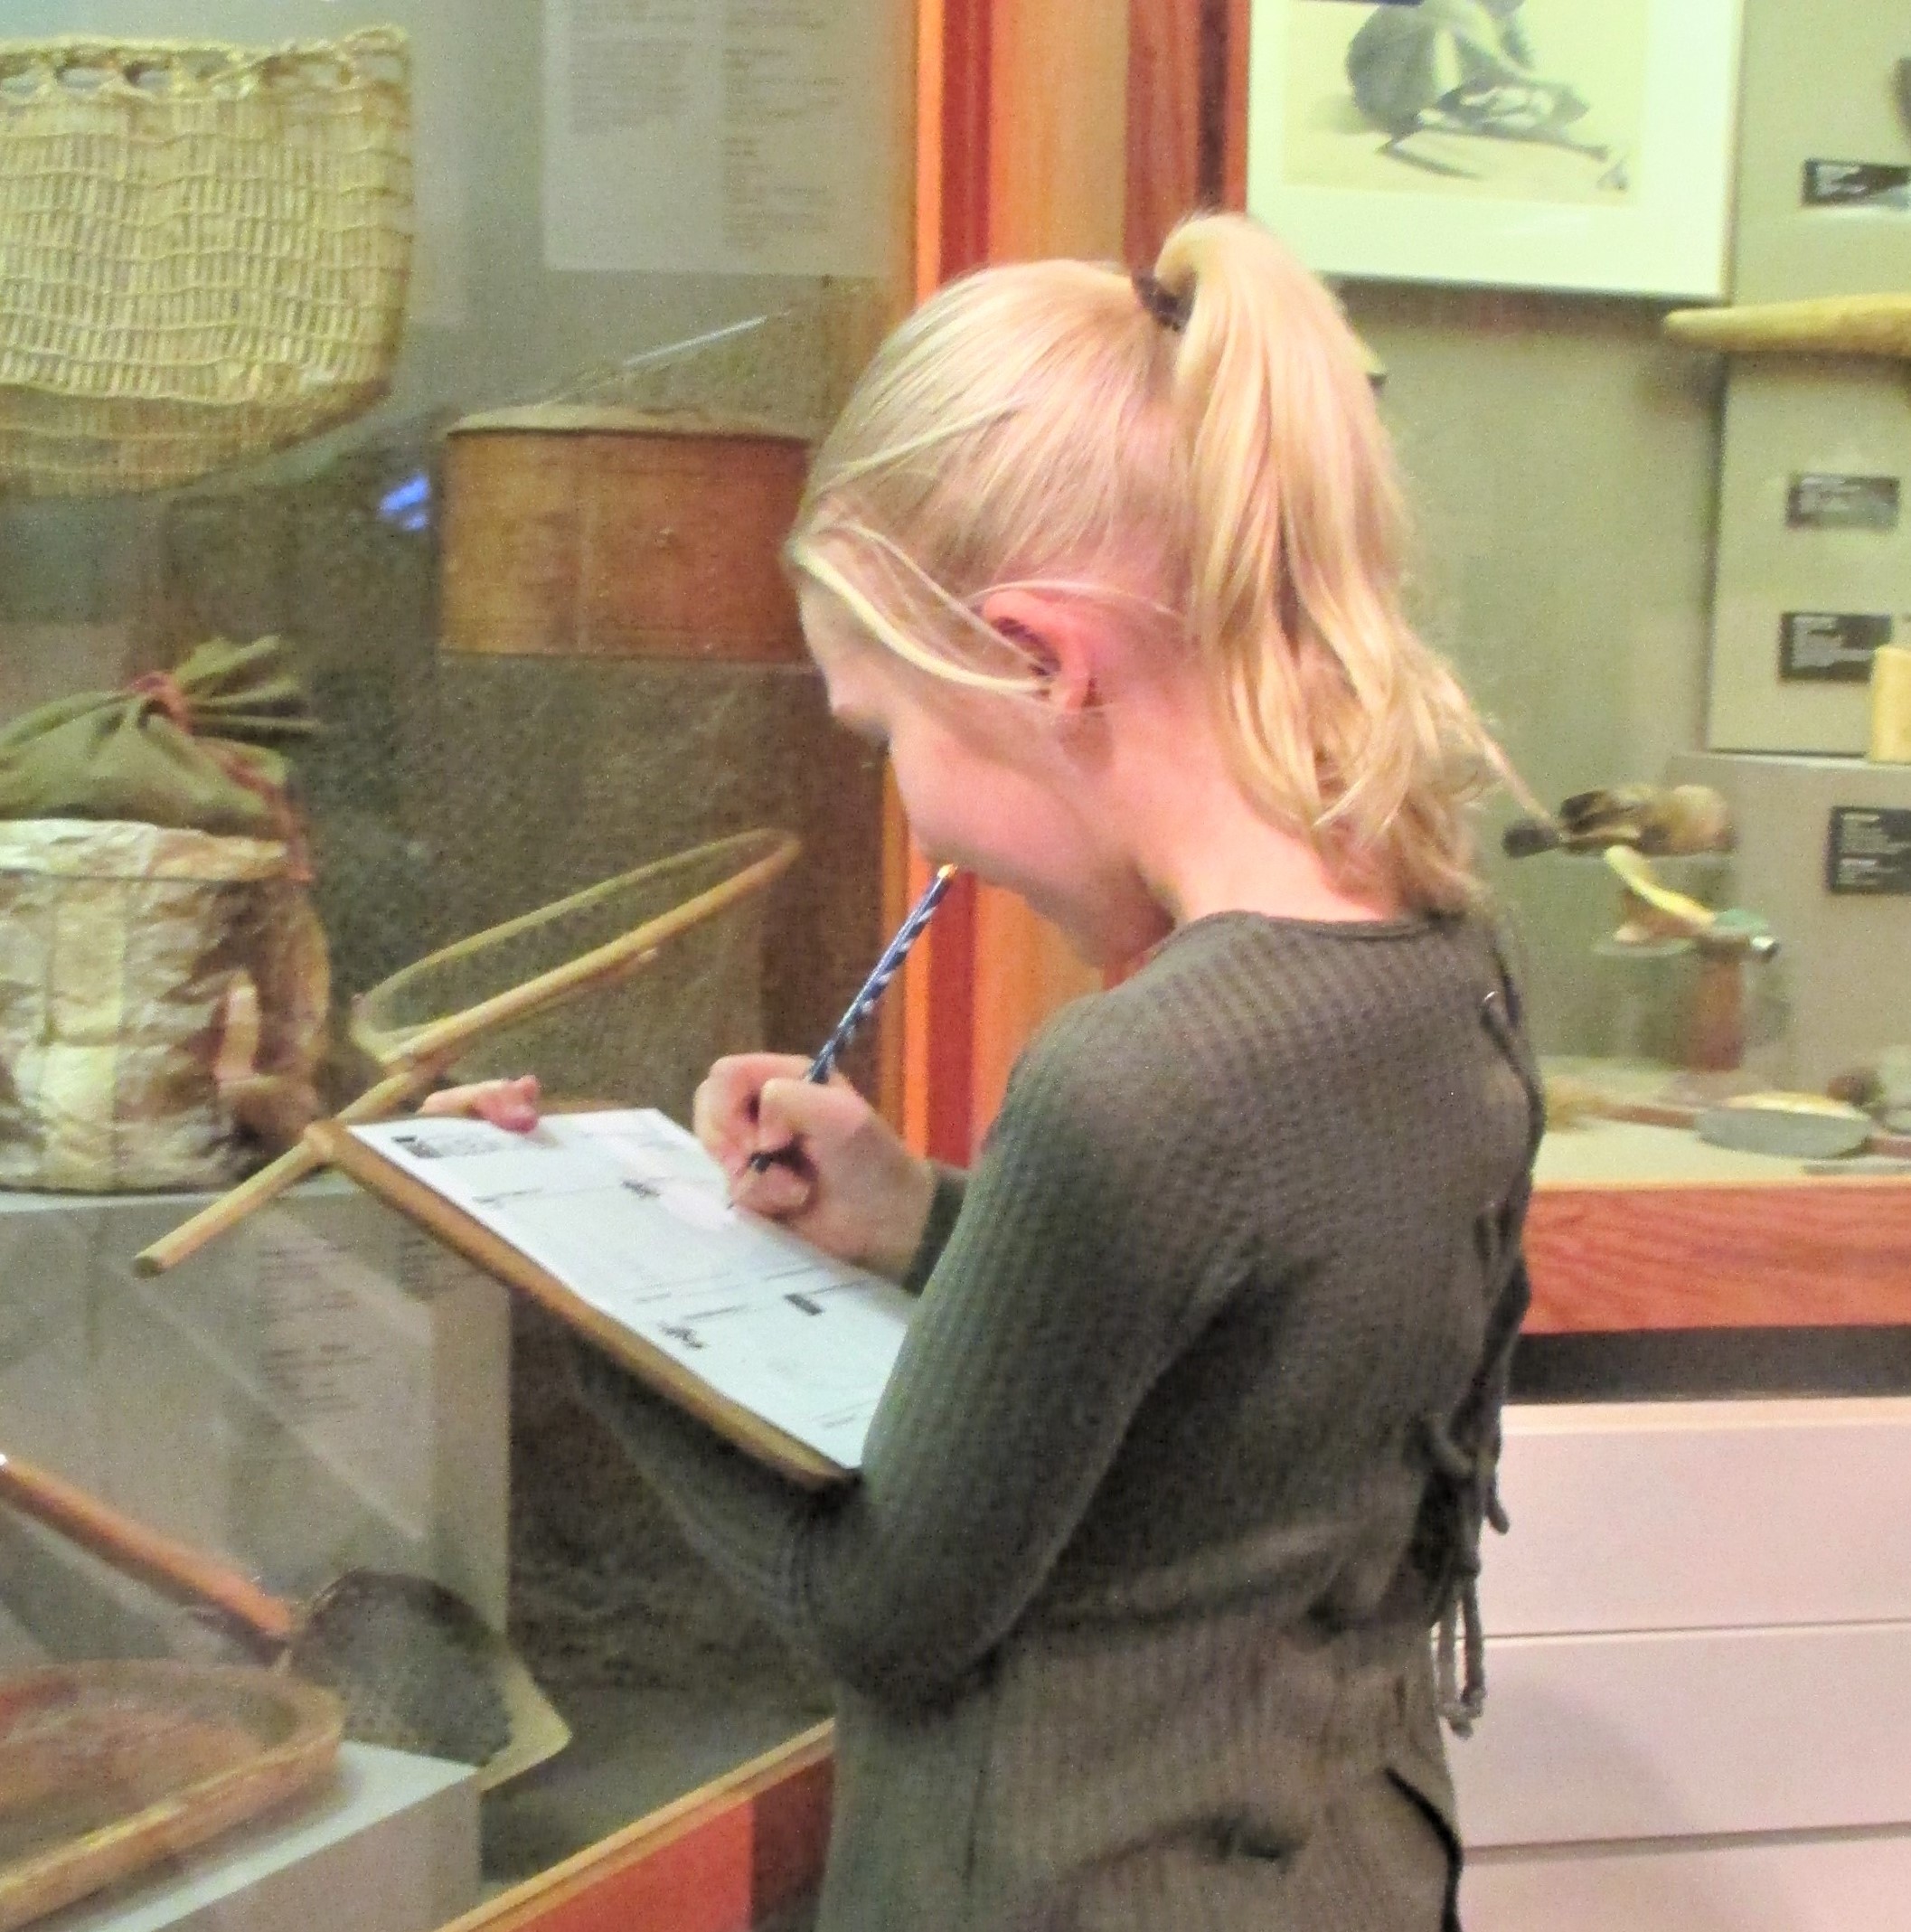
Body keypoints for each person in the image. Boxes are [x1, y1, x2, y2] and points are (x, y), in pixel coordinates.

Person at [432, 212, 1542, 1931]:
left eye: (885, 737)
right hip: (1346, 1871)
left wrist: (579, 1297)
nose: (915, 811)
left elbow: (885, 1611)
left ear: (1035, 658)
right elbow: (1233, 1365)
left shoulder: (1141, 1076)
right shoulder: (1436, 959)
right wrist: (915, 1218)